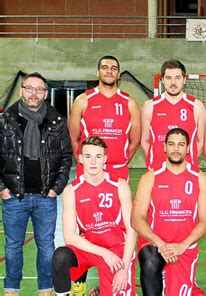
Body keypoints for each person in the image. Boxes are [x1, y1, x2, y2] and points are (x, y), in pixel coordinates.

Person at [0, 72, 72, 296]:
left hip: (45, 198)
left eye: (39, 89)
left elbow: (66, 157)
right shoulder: (5, 120)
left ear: (46, 94)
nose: (34, 94)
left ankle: (46, 289)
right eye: (29, 88)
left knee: (46, 247)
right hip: (14, 196)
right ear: (22, 90)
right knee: (12, 248)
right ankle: (12, 288)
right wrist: (2, 188)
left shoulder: (57, 122)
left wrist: (55, 189)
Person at [131, 128, 206, 295]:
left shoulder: (200, 179)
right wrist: (161, 244)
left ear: (188, 148)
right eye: (171, 144)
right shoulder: (150, 177)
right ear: (164, 147)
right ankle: (158, 274)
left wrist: (182, 245)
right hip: (154, 244)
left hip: (185, 247)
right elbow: (136, 218)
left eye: (181, 145)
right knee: (150, 261)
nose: (176, 149)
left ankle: (175, 280)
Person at [52, 136, 136, 296]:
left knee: (116, 289)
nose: (93, 162)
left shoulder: (120, 185)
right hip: (90, 248)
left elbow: (132, 230)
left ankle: (103, 289)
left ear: (105, 159)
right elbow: (69, 237)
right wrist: (104, 253)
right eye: (88, 156)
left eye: (98, 156)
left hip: (116, 248)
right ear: (81, 158)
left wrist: (124, 268)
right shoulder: (71, 191)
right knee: (60, 257)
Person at [68, 55, 141, 181]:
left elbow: (136, 141)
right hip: (88, 170)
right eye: (104, 68)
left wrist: (121, 160)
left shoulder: (130, 103)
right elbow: (74, 138)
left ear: (118, 74)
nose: (109, 71)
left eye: (113, 68)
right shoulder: (82, 100)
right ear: (97, 72)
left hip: (118, 170)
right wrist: (85, 162)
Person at [141, 59, 206, 170]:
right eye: (168, 78)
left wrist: (183, 163)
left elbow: (200, 142)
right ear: (162, 80)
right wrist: (156, 162)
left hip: (187, 172)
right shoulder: (149, 106)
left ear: (184, 79)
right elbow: (145, 141)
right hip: (156, 171)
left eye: (177, 78)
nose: (173, 83)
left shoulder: (197, 106)